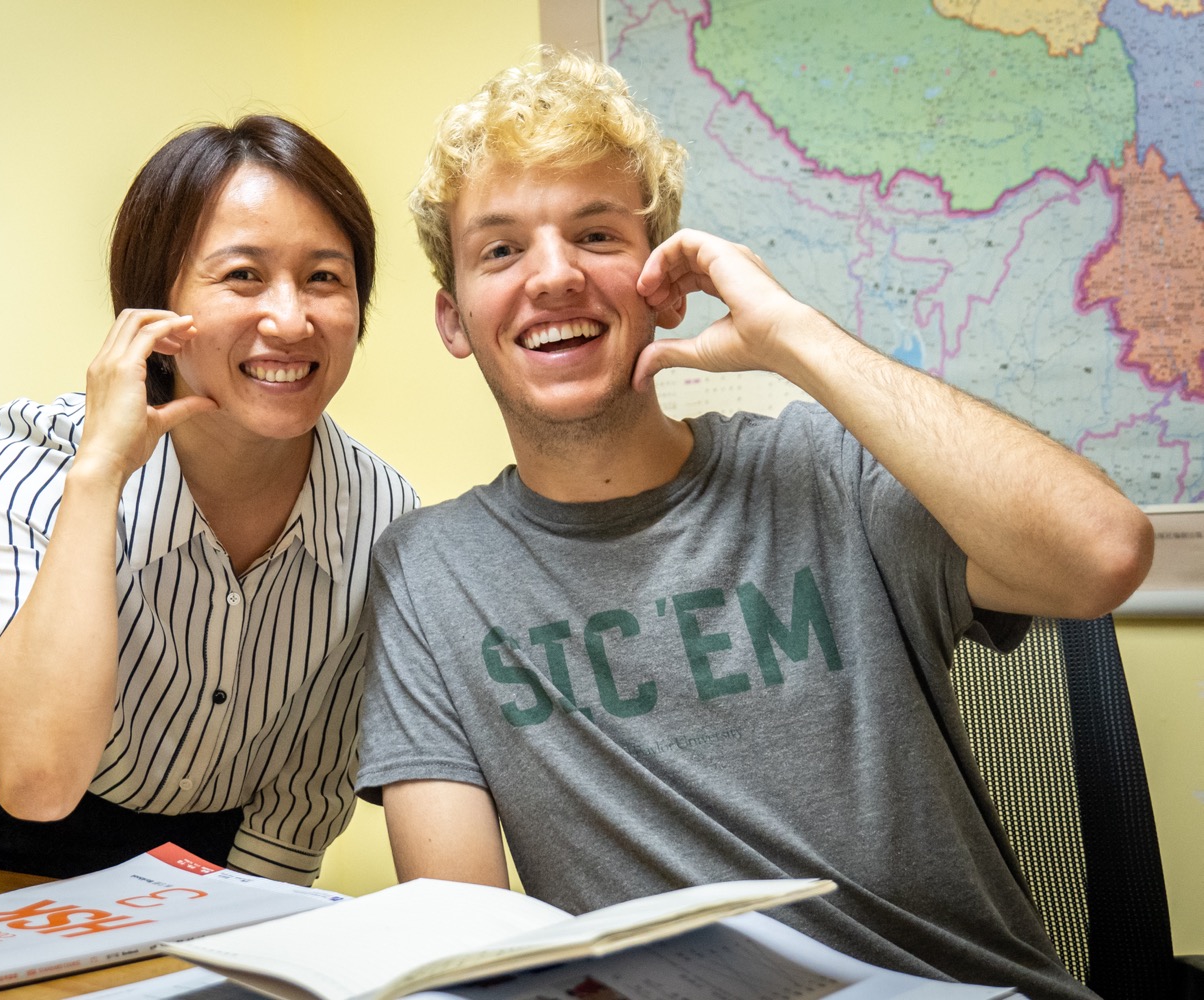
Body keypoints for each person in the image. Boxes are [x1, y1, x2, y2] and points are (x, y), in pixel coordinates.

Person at [354, 51, 1152, 998]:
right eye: (501, 250)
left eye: (597, 234)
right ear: (454, 320)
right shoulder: (431, 573)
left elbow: (1102, 554)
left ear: (663, 280)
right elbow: (469, 946)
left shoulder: (824, 467)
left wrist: (794, 338)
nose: (554, 275)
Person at [0, 115, 417, 886]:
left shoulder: (380, 513)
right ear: (155, 306)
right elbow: (34, 780)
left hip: (216, 859)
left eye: (325, 278)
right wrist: (100, 473)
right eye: (242, 275)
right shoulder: (31, 454)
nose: (291, 319)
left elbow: (305, 788)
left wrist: (243, 940)